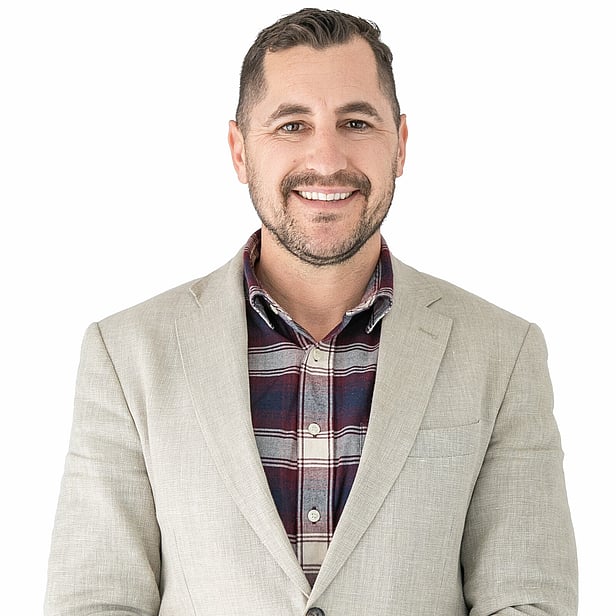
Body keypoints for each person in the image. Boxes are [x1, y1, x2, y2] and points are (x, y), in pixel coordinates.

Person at [45, 8, 578, 616]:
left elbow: (528, 600)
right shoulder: (126, 354)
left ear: (400, 145)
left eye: (356, 122)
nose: (326, 158)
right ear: (239, 151)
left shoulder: (502, 353)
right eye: (292, 125)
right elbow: (94, 600)